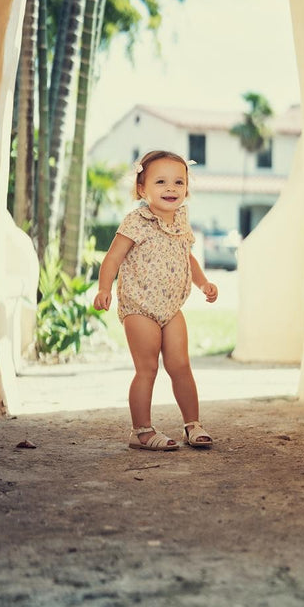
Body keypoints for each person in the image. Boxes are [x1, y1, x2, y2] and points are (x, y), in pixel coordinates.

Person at [93, 149, 218, 451]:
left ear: (186, 188)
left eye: (178, 182)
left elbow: (188, 258)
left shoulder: (181, 222)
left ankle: (192, 423)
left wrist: (203, 283)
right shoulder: (136, 221)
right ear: (141, 188)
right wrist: (104, 288)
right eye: (161, 182)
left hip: (171, 308)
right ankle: (141, 431)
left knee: (181, 365)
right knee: (147, 368)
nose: (171, 188)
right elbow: (113, 257)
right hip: (140, 307)